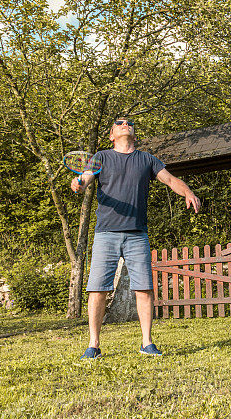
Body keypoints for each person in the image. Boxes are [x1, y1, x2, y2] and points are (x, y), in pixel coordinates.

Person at [72, 118, 200, 359]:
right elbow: (84, 179)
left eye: (129, 123)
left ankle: (147, 343)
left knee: (144, 288)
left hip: (137, 234)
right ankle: (93, 345)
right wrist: (78, 183)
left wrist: (188, 192)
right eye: (119, 123)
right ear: (112, 135)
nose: (125, 124)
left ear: (134, 132)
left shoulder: (147, 159)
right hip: (106, 233)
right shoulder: (101, 157)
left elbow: (170, 180)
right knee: (98, 289)